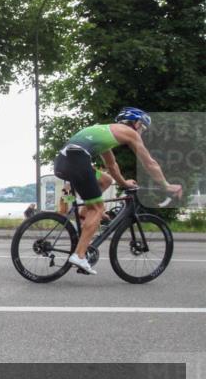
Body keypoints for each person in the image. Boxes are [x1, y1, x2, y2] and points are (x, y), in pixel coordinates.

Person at [53, 107, 182, 275]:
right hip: (77, 162)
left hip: (63, 163)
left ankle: (84, 215)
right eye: (143, 127)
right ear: (136, 123)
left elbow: (112, 166)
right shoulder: (130, 132)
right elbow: (149, 163)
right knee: (98, 209)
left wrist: (124, 183)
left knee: (106, 180)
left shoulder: (104, 132)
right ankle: (79, 255)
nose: (141, 132)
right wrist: (166, 185)